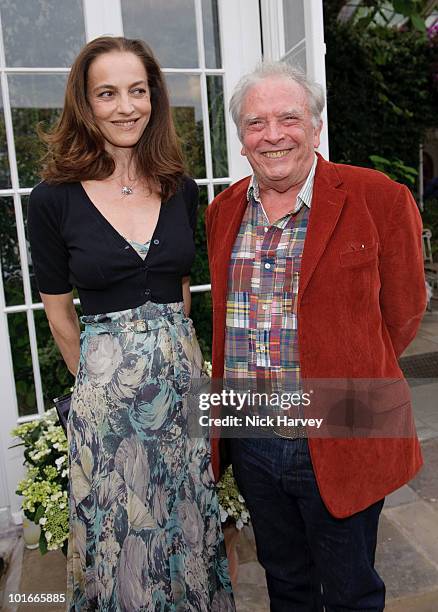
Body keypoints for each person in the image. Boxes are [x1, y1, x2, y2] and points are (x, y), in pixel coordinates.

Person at [206, 61, 426, 611]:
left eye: (289, 118)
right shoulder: (223, 210)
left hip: (343, 428)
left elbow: (402, 313)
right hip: (251, 433)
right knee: (285, 583)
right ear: (241, 138)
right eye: (256, 123)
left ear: (316, 127)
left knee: (351, 589)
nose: (273, 134)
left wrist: (349, 371)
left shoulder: (378, 197)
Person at [28, 36, 234, 611]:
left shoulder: (180, 188)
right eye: (108, 93)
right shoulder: (52, 199)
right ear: (84, 103)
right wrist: (96, 385)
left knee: (187, 527)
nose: (126, 107)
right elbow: (57, 308)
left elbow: (183, 289)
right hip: (107, 406)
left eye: (137, 91)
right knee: (122, 545)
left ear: (155, 98)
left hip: (180, 389)